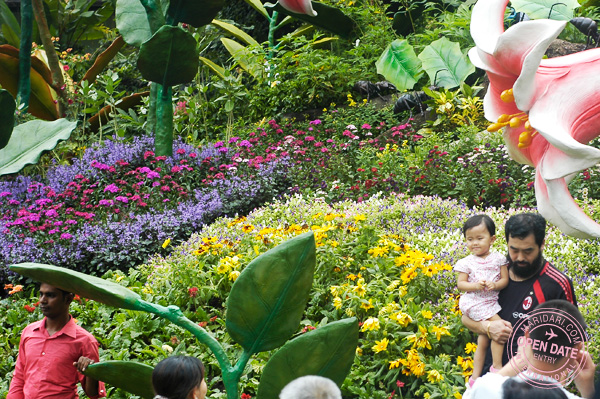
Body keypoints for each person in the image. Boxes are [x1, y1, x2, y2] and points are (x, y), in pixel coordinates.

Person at [461, 213, 577, 372]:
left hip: (527, 387)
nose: (519, 258)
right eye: (514, 250)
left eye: (528, 251)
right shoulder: (494, 274)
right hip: (485, 380)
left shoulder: (556, 284)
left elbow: (572, 344)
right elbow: (465, 318)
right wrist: (487, 327)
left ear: (542, 244)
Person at [465, 300, 596, 399]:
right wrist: (588, 391)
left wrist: (518, 360)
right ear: (576, 350)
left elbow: (476, 392)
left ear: (527, 335)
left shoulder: (487, 389)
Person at [7, 283, 105, 399]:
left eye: (50, 295)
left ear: (68, 299)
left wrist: (90, 371)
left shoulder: (85, 341)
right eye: (41, 294)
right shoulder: (29, 332)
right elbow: (19, 377)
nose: (43, 300)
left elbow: (93, 394)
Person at [455, 215, 509, 383]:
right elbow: (461, 285)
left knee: (483, 340)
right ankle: (497, 367)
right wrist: (476, 286)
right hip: (475, 302)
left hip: (490, 302)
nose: (474, 243)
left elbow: (504, 280)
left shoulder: (499, 259)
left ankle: (474, 377)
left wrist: (495, 285)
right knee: (500, 328)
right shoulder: (466, 262)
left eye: (480, 238)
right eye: (470, 239)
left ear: (492, 239)